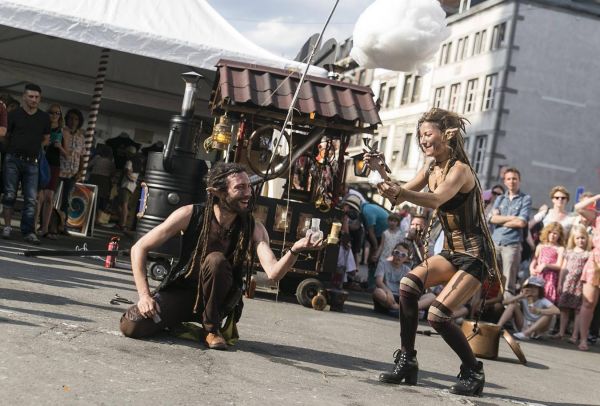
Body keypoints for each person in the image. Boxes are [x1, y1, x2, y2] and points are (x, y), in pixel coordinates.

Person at [366, 108, 500, 396]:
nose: (423, 139)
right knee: (407, 285)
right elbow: (399, 190)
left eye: (428, 134)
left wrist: (400, 194)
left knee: (438, 316)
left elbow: (436, 198)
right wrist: (379, 169)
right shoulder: (430, 168)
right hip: (451, 250)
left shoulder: (460, 170)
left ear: (446, 134)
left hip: (475, 255)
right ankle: (407, 359)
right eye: (421, 135)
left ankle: (473, 371)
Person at [119, 162, 324, 350]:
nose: (248, 193)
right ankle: (176, 320)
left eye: (249, 186)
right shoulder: (190, 214)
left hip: (219, 301)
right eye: (240, 188)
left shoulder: (254, 228)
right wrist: (145, 296)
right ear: (217, 192)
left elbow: (273, 273)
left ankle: (211, 328)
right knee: (131, 326)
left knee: (215, 260)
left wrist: (296, 249)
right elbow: (139, 248)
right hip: (184, 292)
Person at [2, 83, 50, 244]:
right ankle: (7, 226)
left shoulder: (44, 117)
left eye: (37, 97)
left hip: (32, 162)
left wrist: (33, 147)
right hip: (13, 159)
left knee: (31, 199)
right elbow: (6, 135)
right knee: (9, 194)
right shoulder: (14, 114)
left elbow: (46, 139)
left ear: (40, 99)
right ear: (24, 97)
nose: (34, 100)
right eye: (31, 96)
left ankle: (28, 231)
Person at [490, 167, 532, 295]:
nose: (512, 181)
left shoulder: (525, 198)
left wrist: (500, 219)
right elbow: (491, 219)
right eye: (509, 179)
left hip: (511, 245)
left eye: (514, 178)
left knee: (508, 285)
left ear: (519, 180)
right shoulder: (500, 198)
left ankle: (506, 312)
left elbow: (521, 222)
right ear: (505, 181)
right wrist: (511, 218)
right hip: (495, 242)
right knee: (485, 278)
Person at [342, 194, 389, 289]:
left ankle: (373, 284)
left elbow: (371, 232)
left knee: (376, 260)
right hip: (378, 234)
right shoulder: (364, 210)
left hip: (383, 235)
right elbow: (356, 226)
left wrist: (375, 248)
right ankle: (369, 282)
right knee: (371, 259)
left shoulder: (367, 211)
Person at [574, 193, 600, 351]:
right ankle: (583, 339)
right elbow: (578, 207)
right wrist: (598, 196)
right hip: (596, 263)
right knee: (588, 302)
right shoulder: (597, 217)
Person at [555, 225, 591, 340]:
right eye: (578, 238)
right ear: (573, 239)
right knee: (564, 309)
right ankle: (561, 332)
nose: (580, 240)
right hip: (567, 283)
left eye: (583, 238)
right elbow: (563, 268)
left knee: (578, 310)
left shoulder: (587, 254)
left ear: (586, 238)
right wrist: (560, 283)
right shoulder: (569, 252)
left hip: (580, 284)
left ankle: (575, 335)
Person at [497, 276, 560, 340]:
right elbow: (504, 302)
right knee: (513, 305)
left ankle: (526, 333)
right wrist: (520, 295)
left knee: (549, 314)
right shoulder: (524, 298)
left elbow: (557, 311)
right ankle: (497, 327)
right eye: (530, 287)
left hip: (538, 328)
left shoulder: (542, 300)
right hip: (523, 324)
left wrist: (538, 311)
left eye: (535, 287)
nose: (532, 289)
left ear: (540, 290)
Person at [35, 103, 63, 239]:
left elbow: (68, 154)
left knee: (49, 198)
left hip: (54, 164)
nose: (54, 115)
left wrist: (59, 147)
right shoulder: (41, 127)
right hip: (40, 161)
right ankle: (34, 226)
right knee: (38, 196)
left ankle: (45, 227)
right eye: (51, 112)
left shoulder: (62, 131)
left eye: (57, 113)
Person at [58, 108, 85, 231]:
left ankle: (62, 225)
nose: (73, 121)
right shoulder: (62, 131)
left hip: (73, 173)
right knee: (51, 198)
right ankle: (47, 224)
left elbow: (82, 155)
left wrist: (80, 171)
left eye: (76, 119)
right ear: (66, 119)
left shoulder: (81, 137)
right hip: (59, 170)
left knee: (67, 200)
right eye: (71, 118)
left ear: (79, 121)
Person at [529, 222, 565, 304]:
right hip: (539, 275)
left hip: (551, 278)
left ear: (560, 235)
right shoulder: (541, 246)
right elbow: (535, 259)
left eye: (555, 233)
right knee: (535, 297)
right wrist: (531, 268)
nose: (552, 235)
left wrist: (546, 265)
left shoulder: (560, 249)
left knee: (547, 297)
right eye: (550, 232)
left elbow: (559, 265)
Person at [372, 242, 411, 316]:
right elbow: (378, 282)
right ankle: (396, 308)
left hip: (398, 297)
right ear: (393, 252)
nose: (399, 256)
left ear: (406, 258)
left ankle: (393, 309)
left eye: (403, 255)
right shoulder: (383, 264)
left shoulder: (407, 270)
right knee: (378, 292)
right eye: (397, 252)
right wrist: (388, 292)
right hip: (386, 295)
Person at [118, 146, 140, 231]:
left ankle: (123, 224)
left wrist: (130, 178)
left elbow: (127, 172)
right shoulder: (138, 162)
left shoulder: (129, 161)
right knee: (125, 205)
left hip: (126, 185)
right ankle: (123, 222)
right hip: (132, 186)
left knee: (124, 205)